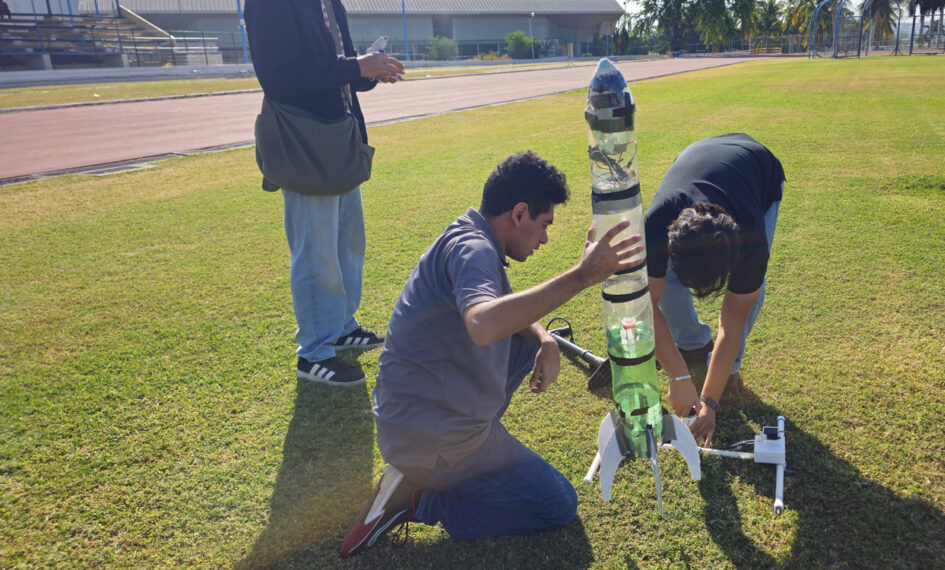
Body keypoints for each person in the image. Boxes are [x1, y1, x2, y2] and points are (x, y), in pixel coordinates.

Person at [339, 151, 642, 557]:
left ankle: (444, 461)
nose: (546, 239)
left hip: (411, 420)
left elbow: (502, 305)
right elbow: (483, 322)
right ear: (519, 213)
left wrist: (546, 341)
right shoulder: (476, 251)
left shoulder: (469, 236)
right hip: (430, 437)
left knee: (522, 334)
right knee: (557, 503)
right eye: (544, 224)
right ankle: (418, 498)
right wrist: (584, 275)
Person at [245, 0, 405, 385]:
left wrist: (370, 69)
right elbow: (279, 78)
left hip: (339, 136)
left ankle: (341, 328)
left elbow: (342, 69)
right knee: (316, 250)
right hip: (305, 141)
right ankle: (314, 351)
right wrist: (356, 67)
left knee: (348, 244)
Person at [644, 133, 785, 447]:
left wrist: (710, 401)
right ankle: (691, 343)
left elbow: (731, 324)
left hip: (758, 168)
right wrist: (678, 376)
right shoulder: (654, 226)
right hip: (696, 153)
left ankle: (728, 370)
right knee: (662, 280)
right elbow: (645, 307)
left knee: (751, 295)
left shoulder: (750, 240)